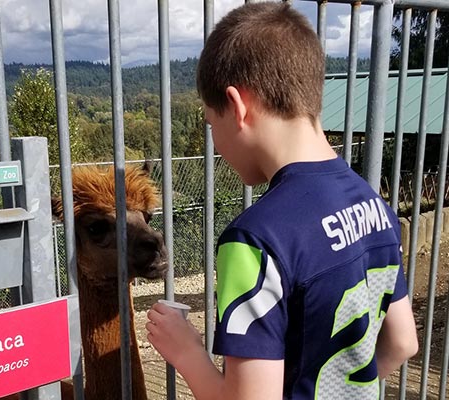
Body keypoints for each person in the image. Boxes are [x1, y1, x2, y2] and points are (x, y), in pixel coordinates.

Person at [145, 2, 418, 399]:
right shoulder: (374, 205)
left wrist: (187, 352)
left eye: (210, 123)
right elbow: (402, 343)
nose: (216, 143)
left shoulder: (255, 238)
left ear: (237, 107)